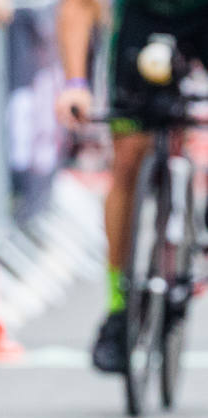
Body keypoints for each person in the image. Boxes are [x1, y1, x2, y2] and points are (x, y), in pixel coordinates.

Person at [55, 0, 208, 372]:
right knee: (127, 158)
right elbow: (79, 5)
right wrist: (76, 85)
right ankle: (119, 308)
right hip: (143, 21)